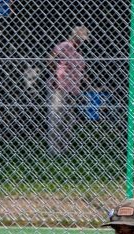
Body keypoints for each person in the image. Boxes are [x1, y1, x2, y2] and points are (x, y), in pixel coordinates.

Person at [46, 26, 88, 154]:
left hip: (73, 89)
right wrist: (55, 74)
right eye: (80, 38)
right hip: (59, 87)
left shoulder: (79, 53)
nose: (81, 41)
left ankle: (65, 149)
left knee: (68, 120)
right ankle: (54, 150)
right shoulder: (65, 45)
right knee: (56, 118)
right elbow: (50, 59)